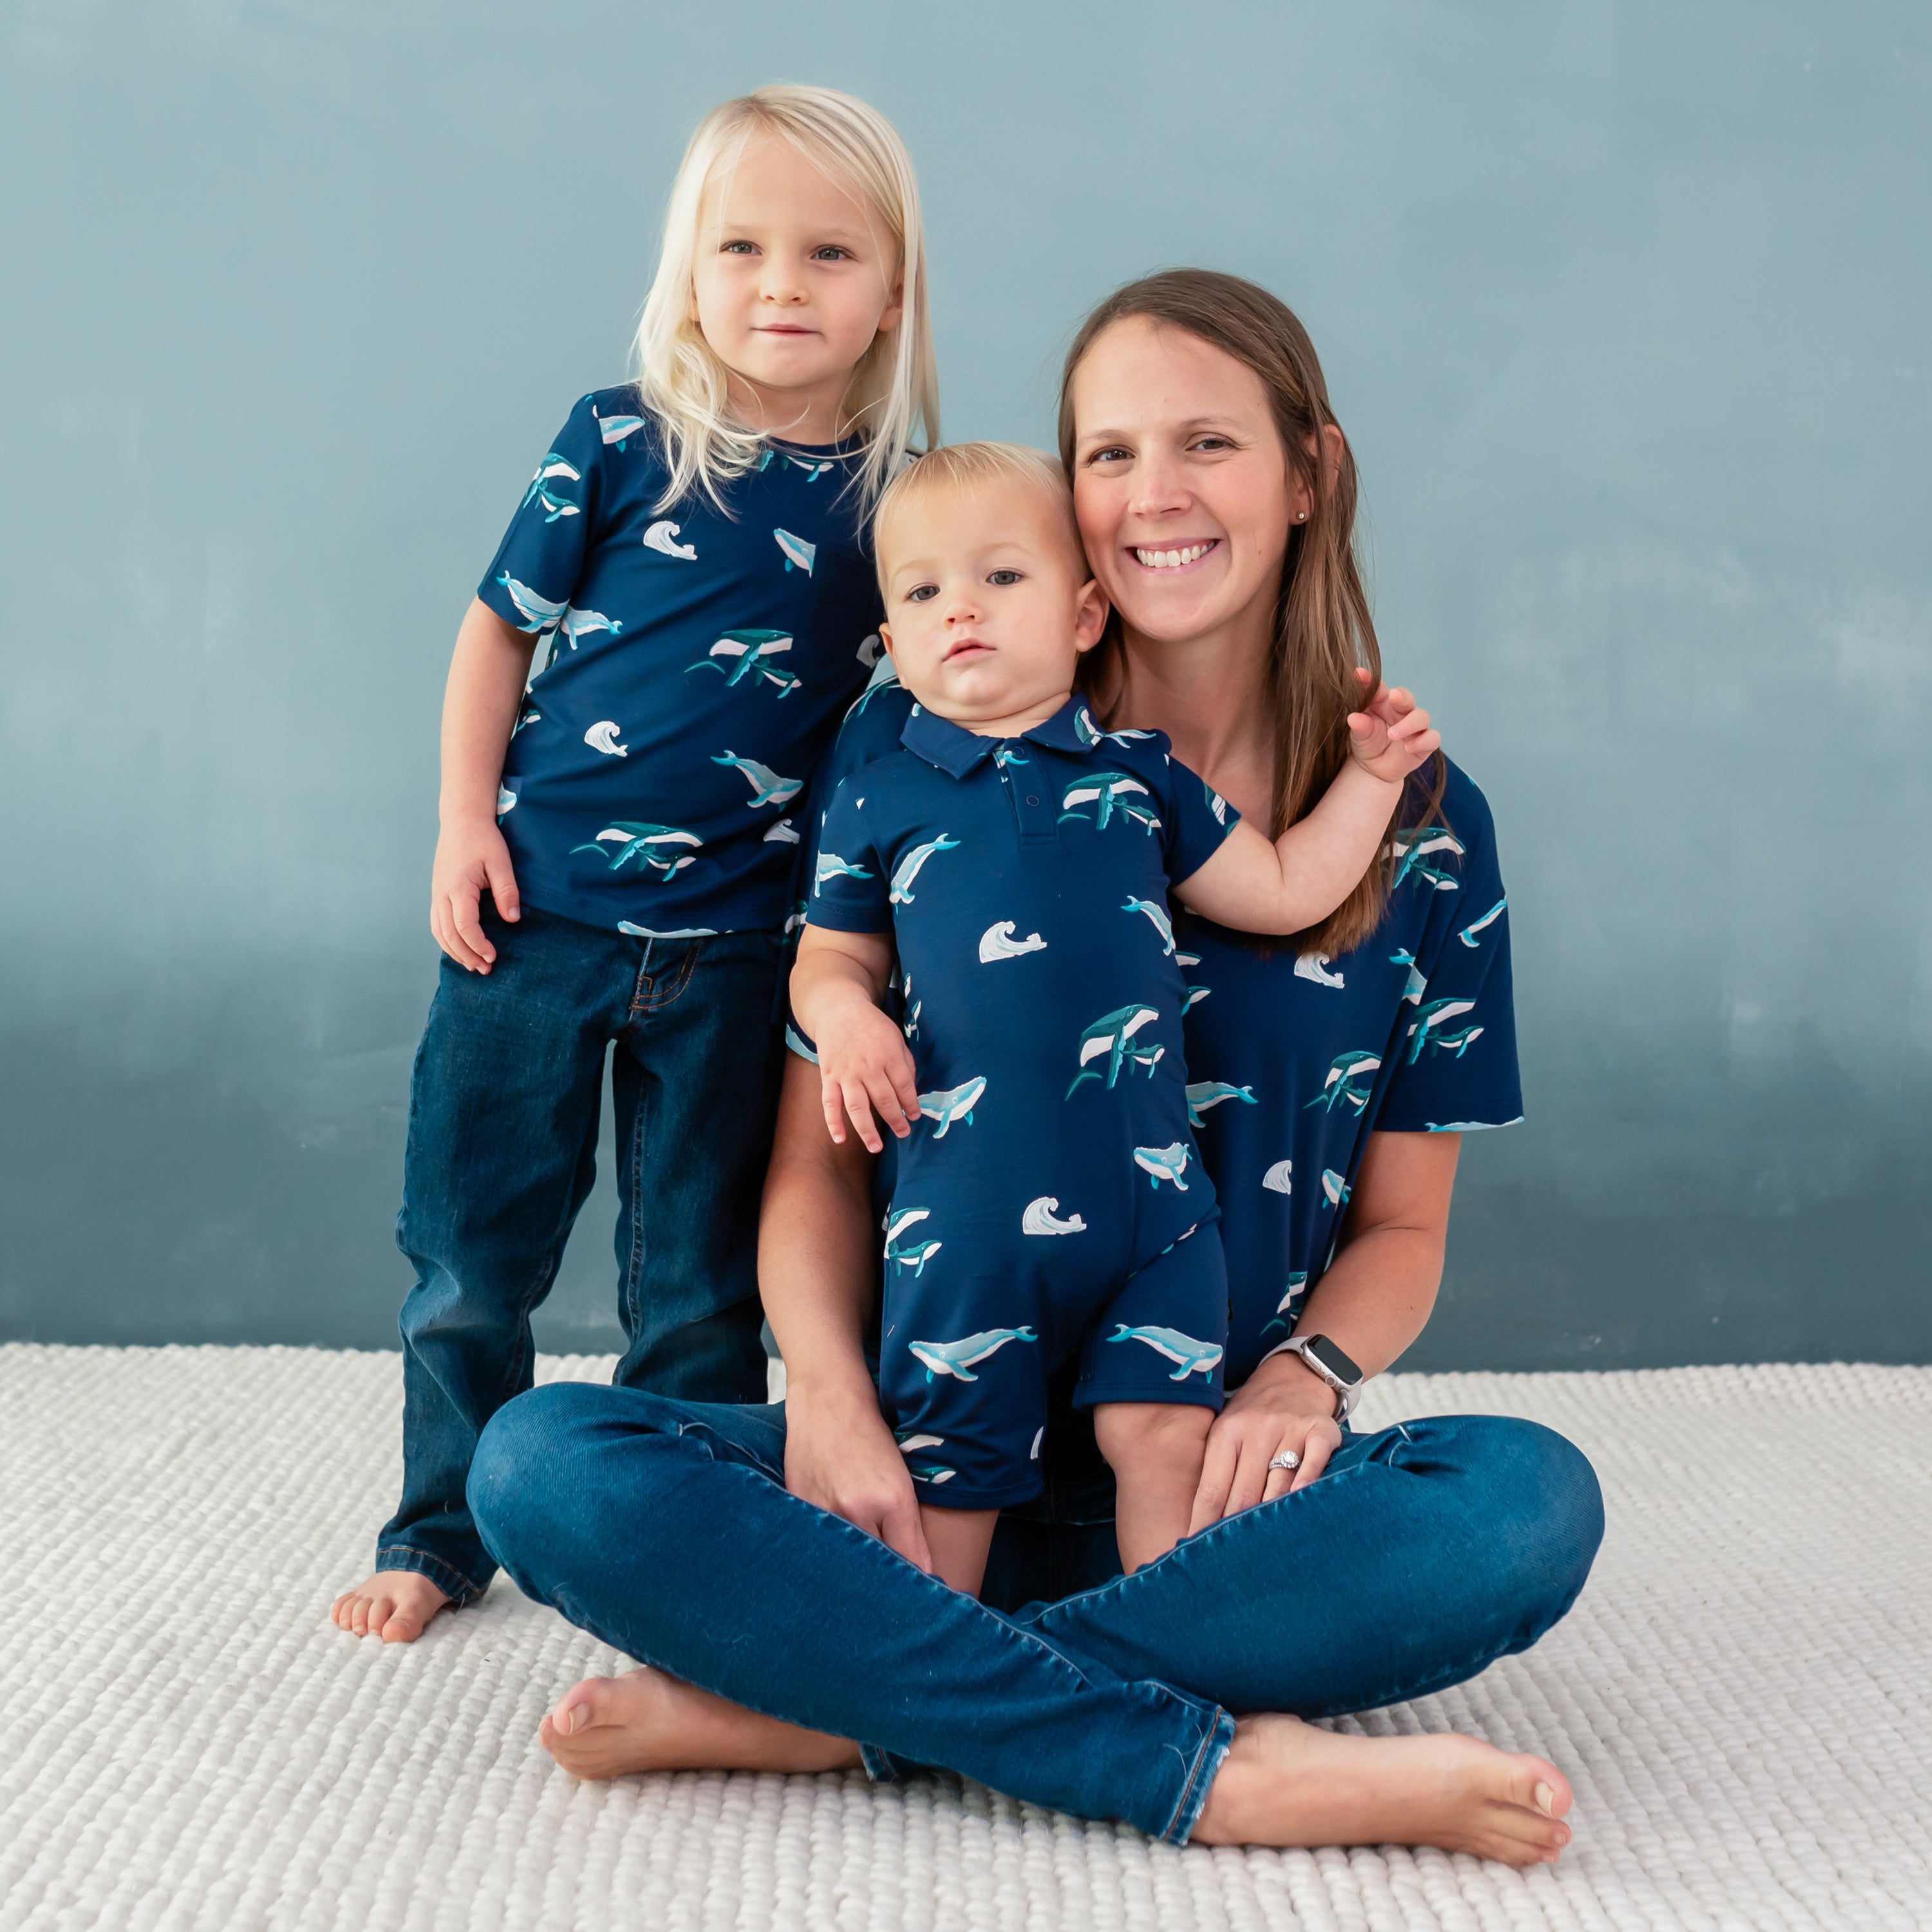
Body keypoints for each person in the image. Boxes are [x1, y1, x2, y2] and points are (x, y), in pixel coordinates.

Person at [466, 271, 1604, 1862]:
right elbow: (813, 1169)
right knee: (547, 1465)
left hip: (1205, 1493)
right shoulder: (916, 744)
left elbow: (1406, 1229)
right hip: (928, 1451)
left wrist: (1299, 1384)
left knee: (1527, 1498)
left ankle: (844, 1707)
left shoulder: (1410, 814)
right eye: (1110, 453)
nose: (1155, 497)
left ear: (1309, 474)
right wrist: (840, 1410)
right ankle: (1213, 1767)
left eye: (1208, 443)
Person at [330, 84, 938, 1644]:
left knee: (698, 1285)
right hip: (532, 923)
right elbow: (494, 634)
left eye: (826, 253)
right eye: (741, 248)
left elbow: (946, 679)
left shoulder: (892, 507)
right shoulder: (614, 438)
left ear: (891, 292)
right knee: (471, 1257)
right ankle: (440, 1530)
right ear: (688, 269)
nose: (782, 285)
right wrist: (464, 823)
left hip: (741, 951)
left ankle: (666, 1548)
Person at [794, 441, 1439, 1585]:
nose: (962, 613)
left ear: (1087, 615)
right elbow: (830, 956)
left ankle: (1161, 1670)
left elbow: (1286, 888)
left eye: (1002, 578)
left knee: (1170, 1449)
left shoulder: (1142, 774)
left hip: (1157, 1217)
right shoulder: (876, 784)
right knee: (948, 1488)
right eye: (925, 592)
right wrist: (846, 1017)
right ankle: (941, 1694)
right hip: (962, 1229)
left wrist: (1373, 784)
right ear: (891, 644)